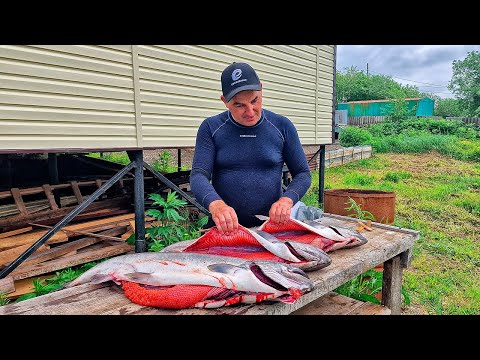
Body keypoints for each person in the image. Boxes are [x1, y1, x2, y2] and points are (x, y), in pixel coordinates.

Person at [190, 62, 312, 234]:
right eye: (239, 105)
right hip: (225, 230)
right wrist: (216, 204)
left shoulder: (282, 126)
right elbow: (198, 175)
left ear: (261, 89)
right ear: (224, 101)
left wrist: (287, 200)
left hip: (271, 229)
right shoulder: (211, 127)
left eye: (255, 100)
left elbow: (303, 173)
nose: (250, 111)